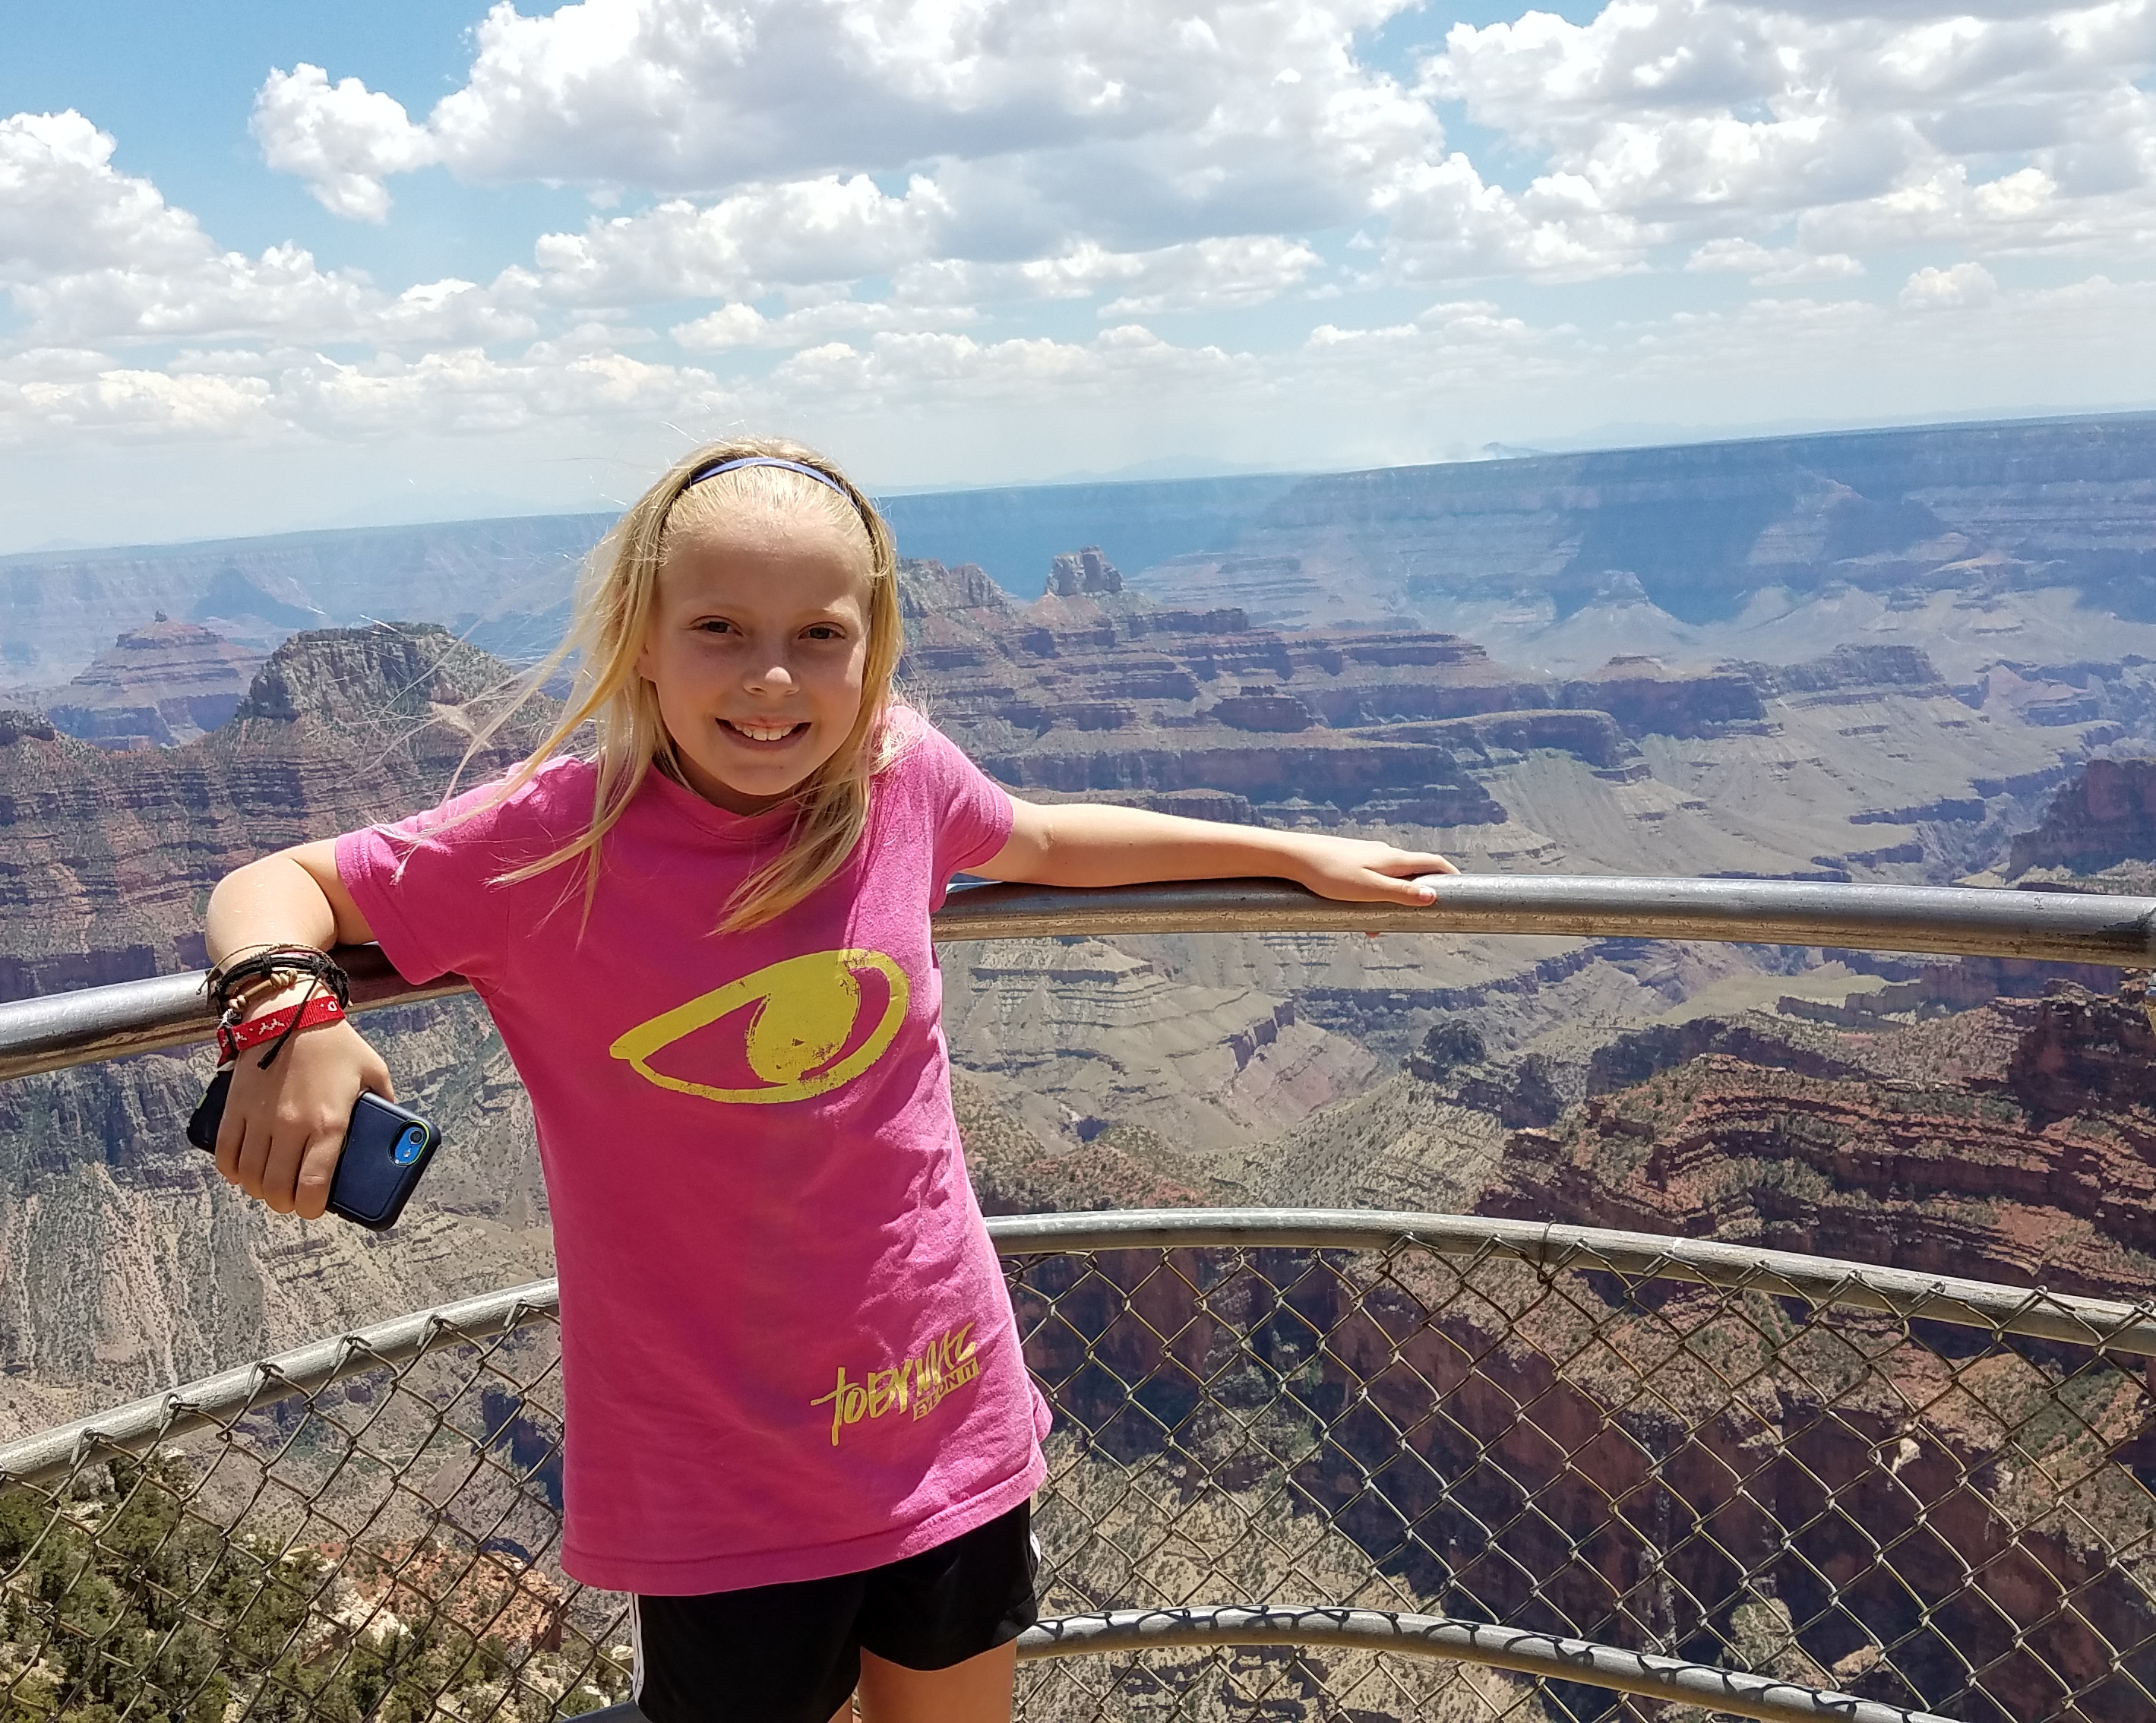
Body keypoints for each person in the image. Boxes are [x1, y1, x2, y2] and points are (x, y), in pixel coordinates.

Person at [199, 438, 1457, 1723]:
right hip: (722, 1473)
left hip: (945, 1408)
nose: (771, 678)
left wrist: (1290, 851)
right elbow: (276, 884)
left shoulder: (899, 777)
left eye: (819, 634)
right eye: (719, 628)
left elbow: (1039, 838)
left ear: (874, 649)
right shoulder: (549, 838)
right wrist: (287, 1013)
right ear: (641, 640)